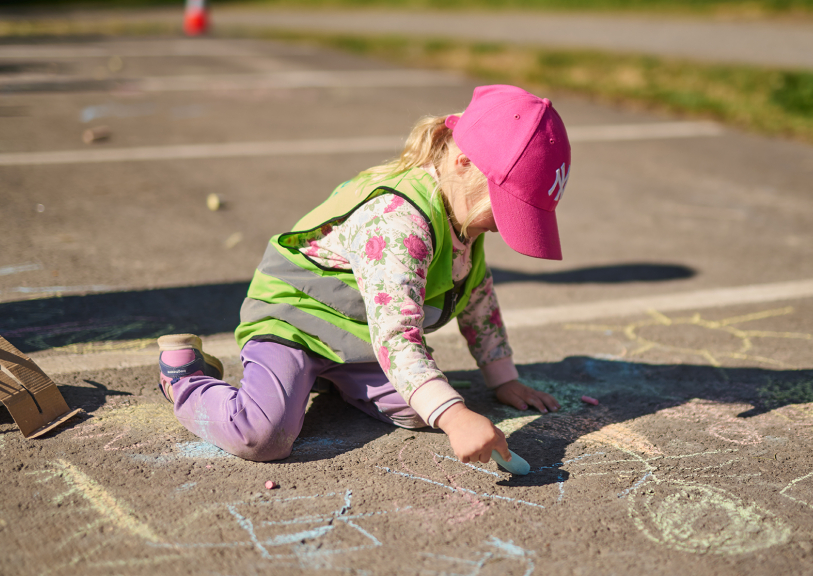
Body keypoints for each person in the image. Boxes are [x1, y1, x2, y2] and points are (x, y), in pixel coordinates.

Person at [157, 85, 570, 465]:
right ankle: (186, 378)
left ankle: (327, 378)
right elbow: (396, 335)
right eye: (505, 209)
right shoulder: (398, 222)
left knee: (420, 409)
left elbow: (477, 296)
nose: (503, 226)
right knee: (263, 435)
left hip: (356, 335)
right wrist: (455, 417)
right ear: (464, 163)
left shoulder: (465, 214)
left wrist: (503, 379)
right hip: (295, 320)